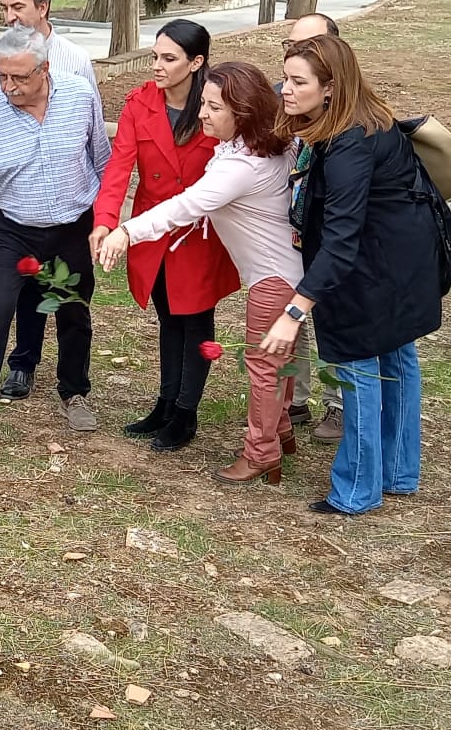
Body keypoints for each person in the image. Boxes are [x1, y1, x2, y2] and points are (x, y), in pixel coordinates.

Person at [260, 35, 445, 515]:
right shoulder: (369, 120)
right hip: (402, 261)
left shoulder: (348, 145)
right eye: (286, 77)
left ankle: (358, 490)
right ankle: (398, 472)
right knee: (397, 358)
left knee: (359, 369)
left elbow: (341, 238)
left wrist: (294, 311)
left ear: (331, 87)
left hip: (369, 272)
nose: (286, 88)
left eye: (299, 81)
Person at [98, 62, 304, 485]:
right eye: (204, 103)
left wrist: (125, 232)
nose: (203, 114)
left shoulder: (240, 167)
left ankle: (260, 452)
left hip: (274, 277)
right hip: (285, 272)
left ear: (242, 113)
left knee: (263, 366)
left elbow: (184, 206)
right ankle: (280, 432)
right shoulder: (261, 145)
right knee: (278, 361)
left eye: (213, 107)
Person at [0, 25, 110, 457]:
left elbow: (101, 160)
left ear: (44, 69)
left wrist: (106, 224)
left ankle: (74, 392)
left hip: (70, 226)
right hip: (11, 229)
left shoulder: (80, 96)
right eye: (2, 76)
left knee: (72, 311)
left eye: (19, 78)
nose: (8, 87)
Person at [90, 19, 239, 448]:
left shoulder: (217, 106)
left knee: (195, 319)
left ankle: (186, 412)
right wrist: (105, 220)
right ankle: (166, 402)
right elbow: (119, 167)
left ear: (196, 63)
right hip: (152, 228)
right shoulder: (140, 104)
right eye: (155, 56)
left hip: (199, 231)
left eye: (168, 59)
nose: (156, 65)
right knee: (168, 317)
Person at [0, 0, 97, 400]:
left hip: (67, 213)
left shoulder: (76, 65)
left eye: (18, 6)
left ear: (43, 6)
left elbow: (91, 142)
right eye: (4, 7)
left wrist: (99, 214)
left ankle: (40, 368)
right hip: (4, 206)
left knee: (63, 300)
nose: (10, 16)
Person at [281, 11, 345, 442]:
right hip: (292, 231)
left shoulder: (345, 116)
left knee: (332, 317)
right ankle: (295, 398)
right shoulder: (285, 98)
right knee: (291, 317)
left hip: (330, 234)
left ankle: (339, 404)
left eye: (306, 46)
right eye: (290, 46)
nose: (295, 54)